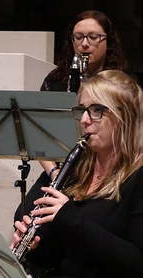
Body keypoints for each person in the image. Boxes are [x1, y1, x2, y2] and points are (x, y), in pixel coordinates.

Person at [11, 70, 143, 278]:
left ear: (126, 117)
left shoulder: (138, 177)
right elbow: (58, 256)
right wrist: (35, 248)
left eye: (97, 110)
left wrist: (70, 218)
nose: (84, 120)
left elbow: (137, 263)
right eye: (82, 110)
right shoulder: (76, 169)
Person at [24, 10, 128, 215]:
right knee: (25, 213)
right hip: (62, 169)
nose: (85, 44)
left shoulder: (118, 85)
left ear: (108, 42)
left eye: (94, 37)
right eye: (78, 37)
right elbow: (39, 133)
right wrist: (54, 172)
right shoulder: (56, 80)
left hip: (103, 170)